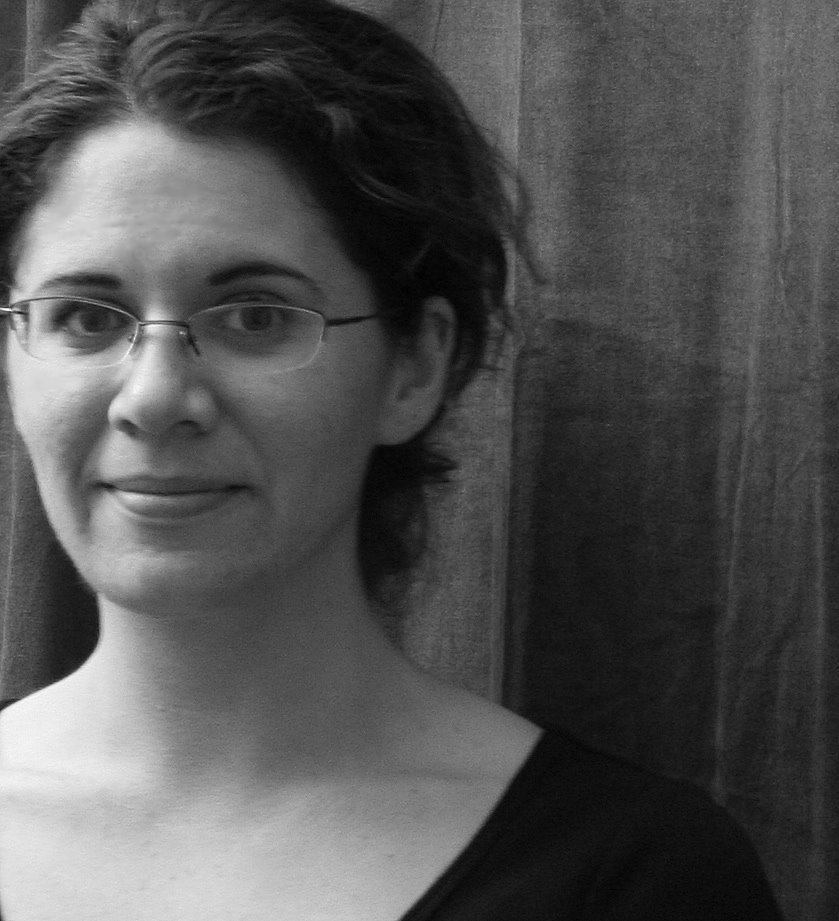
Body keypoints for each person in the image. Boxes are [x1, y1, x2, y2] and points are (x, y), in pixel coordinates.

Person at [0, 1, 784, 918]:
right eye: (85, 318)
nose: (153, 397)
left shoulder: (634, 874)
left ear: (414, 366)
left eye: (256, 315)